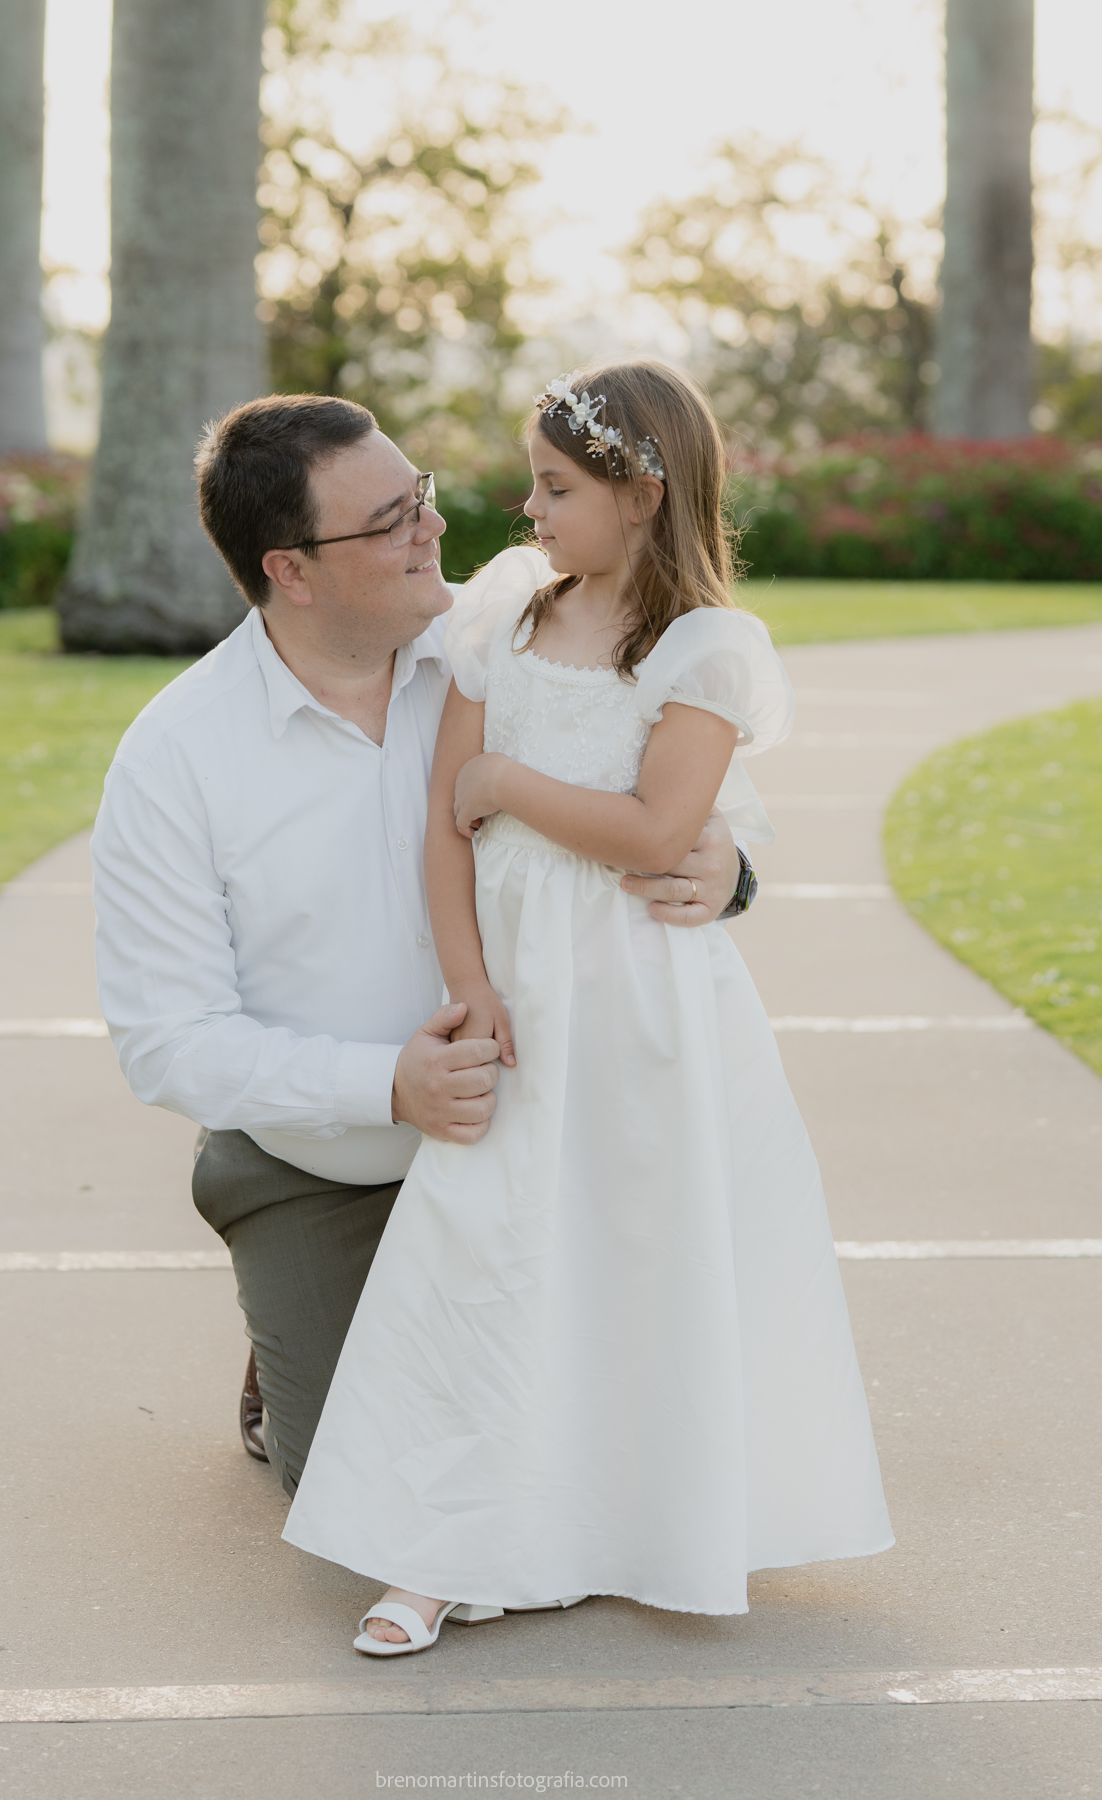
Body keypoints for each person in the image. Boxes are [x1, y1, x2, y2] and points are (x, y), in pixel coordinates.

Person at [281, 362, 893, 1655]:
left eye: (558, 487)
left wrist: (509, 777)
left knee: (633, 1252)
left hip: (648, 1008)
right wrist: (471, 987)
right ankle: (438, 1549)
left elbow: (657, 829)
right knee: (481, 1251)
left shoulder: (705, 647)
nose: (529, 505)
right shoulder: (505, 615)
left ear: (642, 491)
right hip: (520, 996)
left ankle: (633, 1523)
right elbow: (446, 831)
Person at [91, 392, 750, 1503]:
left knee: (612, 1456)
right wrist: (387, 1085)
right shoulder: (176, 758)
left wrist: (731, 873)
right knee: (378, 1495)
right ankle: (300, 1316)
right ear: (291, 571)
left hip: (555, 1131)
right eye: (391, 520)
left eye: (423, 498)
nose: (435, 531)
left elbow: (677, 789)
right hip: (329, 1171)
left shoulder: (506, 642)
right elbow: (167, 1043)